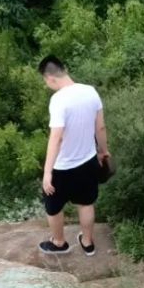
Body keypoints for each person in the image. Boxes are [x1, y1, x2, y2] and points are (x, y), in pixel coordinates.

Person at [38, 56, 110, 256]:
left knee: (53, 206)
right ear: (65, 70)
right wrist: (103, 151)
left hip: (62, 167)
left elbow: (56, 138)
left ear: (50, 78)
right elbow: (100, 127)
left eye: (45, 81)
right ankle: (87, 242)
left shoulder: (58, 100)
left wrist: (47, 172)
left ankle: (59, 243)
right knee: (86, 203)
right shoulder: (90, 92)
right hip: (88, 160)